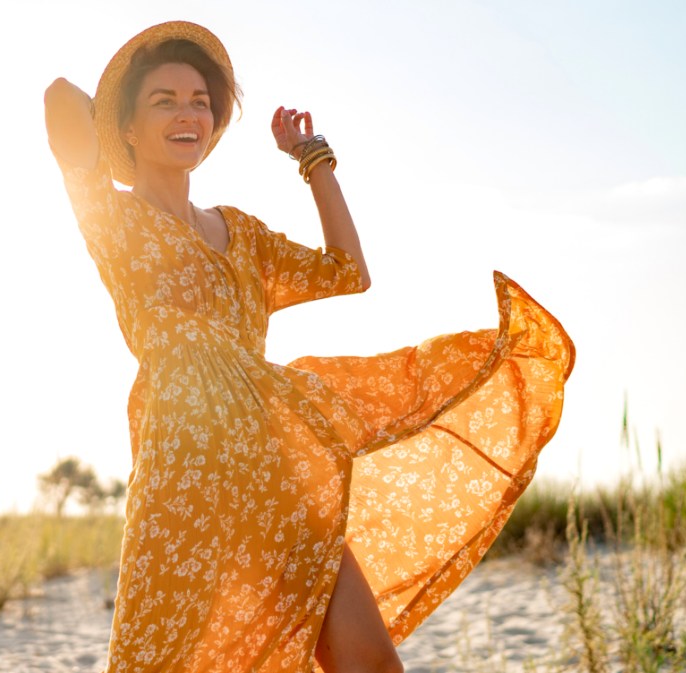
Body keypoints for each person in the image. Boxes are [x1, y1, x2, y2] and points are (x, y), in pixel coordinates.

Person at [44, 20, 575, 673]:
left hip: (277, 467)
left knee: (370, 661)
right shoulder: (114, 220)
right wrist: (102, 125)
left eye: (201, 102)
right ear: (125, 127)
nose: (189, 113)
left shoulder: (240, 233)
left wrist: (313, 157)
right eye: (165, 101)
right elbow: (59, 100)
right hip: (186, 473)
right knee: (175, 657)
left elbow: (348, 270)